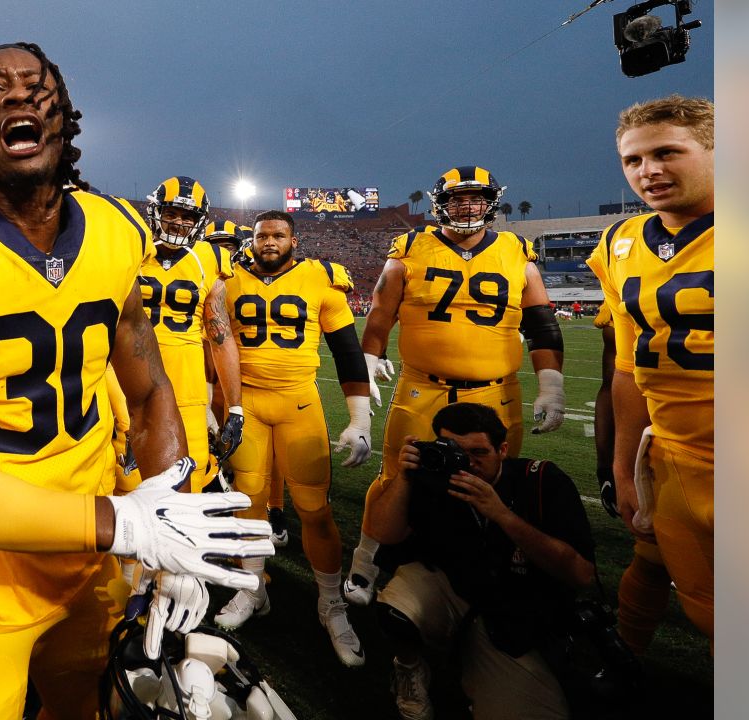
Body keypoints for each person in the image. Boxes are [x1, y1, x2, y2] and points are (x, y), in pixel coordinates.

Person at [0, 43, 273, 718]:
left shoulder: (116, 229)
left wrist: (173, 526)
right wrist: (123, 524)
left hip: (91, 567)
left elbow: (151, 388)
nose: (19, 96)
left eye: (36, 86)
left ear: (65, 118)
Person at [344, 166, 566, 605]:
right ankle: (366, 561)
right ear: (439, 204)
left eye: (477, 198)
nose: (468, 207)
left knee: (493, 483)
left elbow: (542, 323)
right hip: (422, 387)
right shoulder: (409, 248)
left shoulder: (516, 251)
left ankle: (481, 563)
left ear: (491, 202)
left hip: (495, 391)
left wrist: (552, 384)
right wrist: (370, 361)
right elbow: (380, 316)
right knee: (395, 477)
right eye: (459, 199)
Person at [213, 210, 373, 667]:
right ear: (253, 239)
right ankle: (253, 590)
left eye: (278, 235)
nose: (269, 241)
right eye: (262, 234)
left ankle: (331, 605)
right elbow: (215, 346)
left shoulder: (321, 279)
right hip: (247, 406)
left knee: (314, 509)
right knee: (248, 505)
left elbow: (346, 350)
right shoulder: (228, 279)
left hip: (298, 403)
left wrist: (359, 418)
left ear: (293, 240)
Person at [585, 94, 714, 642]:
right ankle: (622, 660)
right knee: (701, 605)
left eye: (667, 152)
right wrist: (621, 466)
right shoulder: (620, 241)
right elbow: (626, 367)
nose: (649, 171)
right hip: (668, 453)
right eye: (633, 160)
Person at [375, 403, 595, 720]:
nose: (468, 463)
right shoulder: (437, 478)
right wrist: (404, 479)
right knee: (395, 609)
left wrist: (503, 515)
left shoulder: (542, 481)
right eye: (455, 451)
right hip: (456, 594)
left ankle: (483, 669)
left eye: (479, 452)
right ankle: (408, 667)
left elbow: (581, 574)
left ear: (503, 449)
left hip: (515, 619)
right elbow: (383, 532)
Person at [139, 177, 244, 491]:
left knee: (190, 473)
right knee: (124, 480)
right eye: (171, 212)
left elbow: (221, 338)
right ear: (157, 211)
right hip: (125, 376)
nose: (179, 222)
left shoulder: (210, 259)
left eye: (189, 217)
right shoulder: (132, 246)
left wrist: (235, 407)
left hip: (186, 380)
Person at [593, 304, 672, 656]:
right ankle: (627, 656)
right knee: (651, 555)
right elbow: (613, 383)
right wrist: (613, 468)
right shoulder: (627, 263)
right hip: (669, 441)